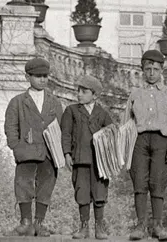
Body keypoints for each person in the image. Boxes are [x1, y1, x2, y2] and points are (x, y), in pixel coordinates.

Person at [124, 48, 167, 242]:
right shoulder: (135, 94)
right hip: (139, 142)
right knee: (139, 183)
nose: (151, 73)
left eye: (155, 69)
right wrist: (125, 149)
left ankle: (158, 225)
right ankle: (141, 225)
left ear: (161, 71)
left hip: (161, 141)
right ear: (142, 70)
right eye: (147, 69)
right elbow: (126, 123)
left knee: (158, 184)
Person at [5, 56, 64, 236]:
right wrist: (16, 146)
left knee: (46, 185)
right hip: (26, 151)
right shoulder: (17, 101)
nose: (42, 79)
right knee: (23, 184)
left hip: (49, 152)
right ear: (27, 77)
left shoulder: (54, 102)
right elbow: (10, 126)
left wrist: (58, 148)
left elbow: (62, 126)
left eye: (45, 76)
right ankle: (25, 223)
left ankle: (39, 223)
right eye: (37, 76)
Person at [60, 74, 115, 240]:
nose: (79, 94)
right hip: (80, 159)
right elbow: (66, 134)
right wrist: (67, 153)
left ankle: (100, 227)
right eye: (78, 91)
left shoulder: (103, 113)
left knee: (99, 193)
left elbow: (112, 134)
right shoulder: (71, 111)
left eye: (84, 92)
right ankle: (84, 227)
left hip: (100, 163)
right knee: (82, 193)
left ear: (95, 95)